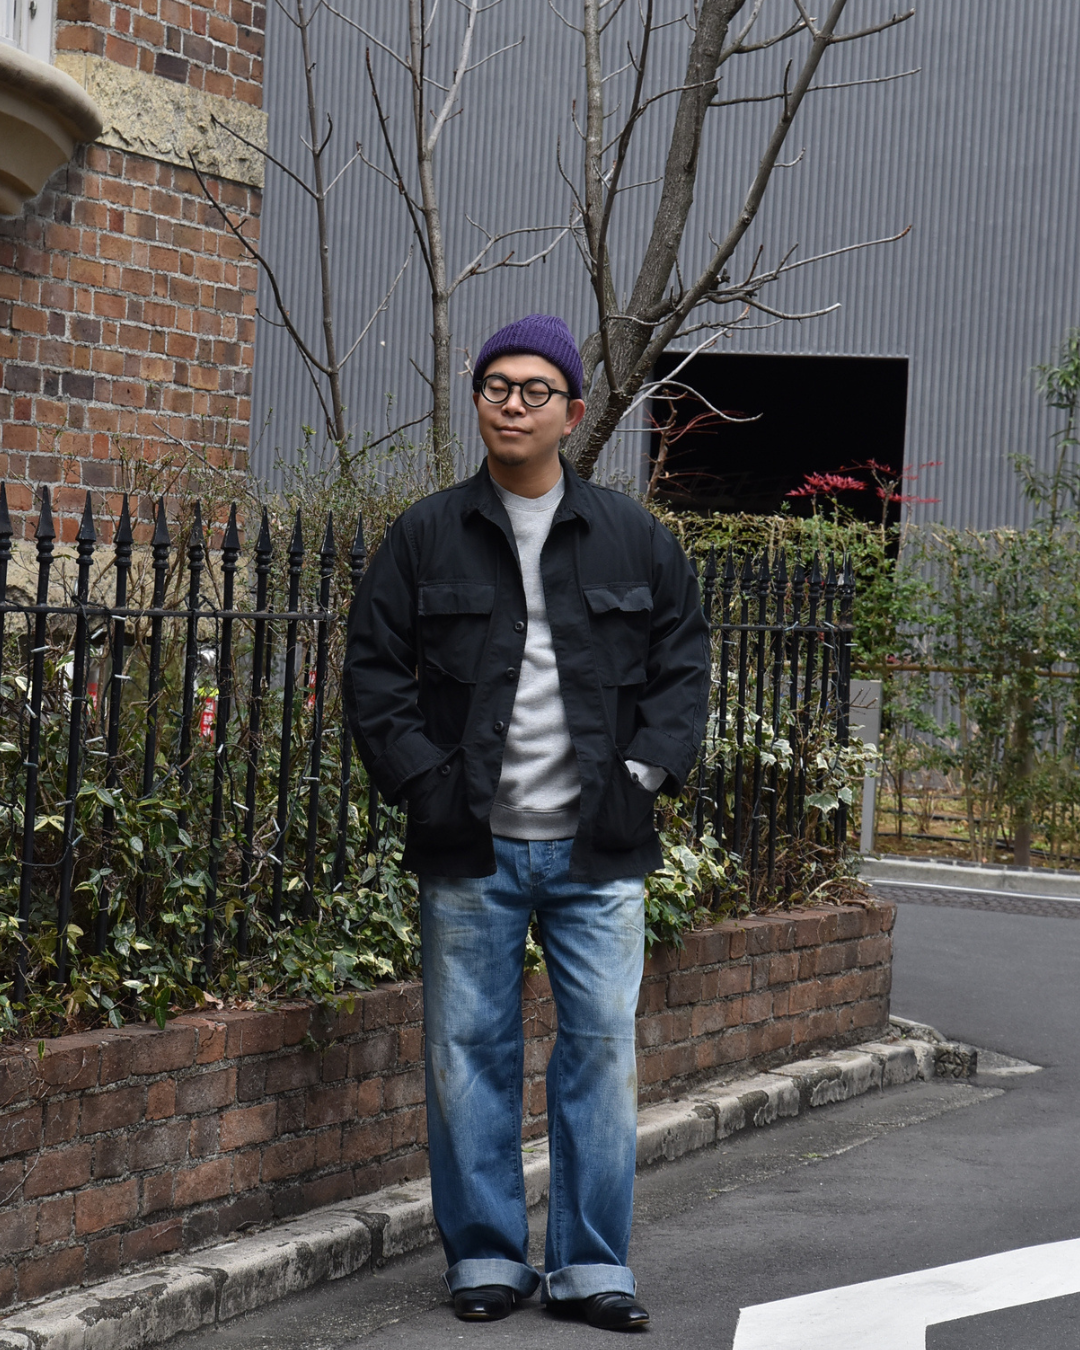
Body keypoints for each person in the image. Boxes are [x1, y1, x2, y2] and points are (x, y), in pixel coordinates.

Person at [343, 314, 710, 1332]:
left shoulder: (635, 536)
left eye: (534, 389)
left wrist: (641, 775)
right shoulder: (425, 535)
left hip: (600, 849)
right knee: (468, 1056)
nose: (511, 404)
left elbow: (683, 668)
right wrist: (427, 785)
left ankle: (592, 1267)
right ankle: (487, 1258)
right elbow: (374, 676)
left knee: (600, 1053)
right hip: (471, 846)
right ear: (479, 402)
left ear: (573, 412)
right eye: (495, 386)